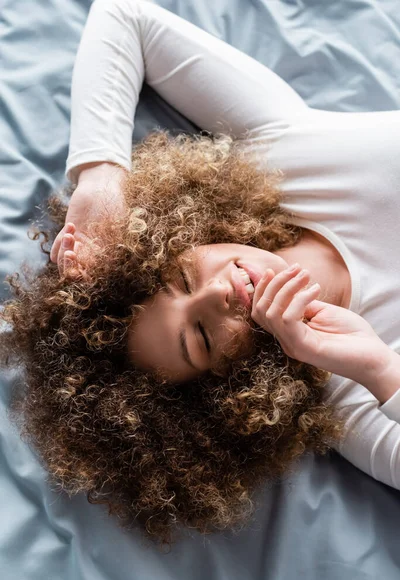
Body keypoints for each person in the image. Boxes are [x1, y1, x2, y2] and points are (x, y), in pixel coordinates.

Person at [2, 0, 400, 546]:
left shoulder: (280, 151)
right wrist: (381, 369)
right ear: (235, 388)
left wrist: (99, 175)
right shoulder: (351, 387)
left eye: (183, 278)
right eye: (202, 338)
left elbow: (127, 18)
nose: (217, 294)